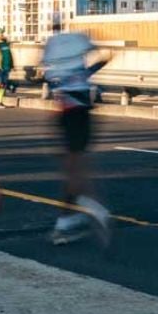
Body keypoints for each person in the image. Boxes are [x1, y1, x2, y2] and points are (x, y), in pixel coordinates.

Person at [40, 14, 112, 246]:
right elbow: (104, 54)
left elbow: (46, 75)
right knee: (76, 167)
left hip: (69, 110)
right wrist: (86, 72)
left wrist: (51, 79)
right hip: (83, 109)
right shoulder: (79, 38)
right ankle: (69, 220)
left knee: (73, 170)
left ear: (52, 27)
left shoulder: (51, 45)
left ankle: (92, 211)